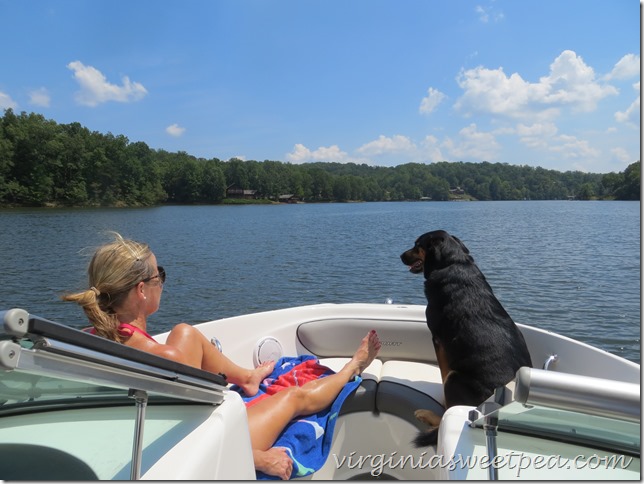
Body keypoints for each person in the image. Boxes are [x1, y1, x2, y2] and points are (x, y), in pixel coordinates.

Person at [63, 232, 381, 479]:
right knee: (294, 397)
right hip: (192, 438)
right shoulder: (162, 358)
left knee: (184, 331)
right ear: (142, 291)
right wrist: (255, 458)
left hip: (143, 434)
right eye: (158, 274)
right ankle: (353, 365)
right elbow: (183, 438)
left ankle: (247, 376)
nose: (162, 281)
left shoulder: (95, 339)